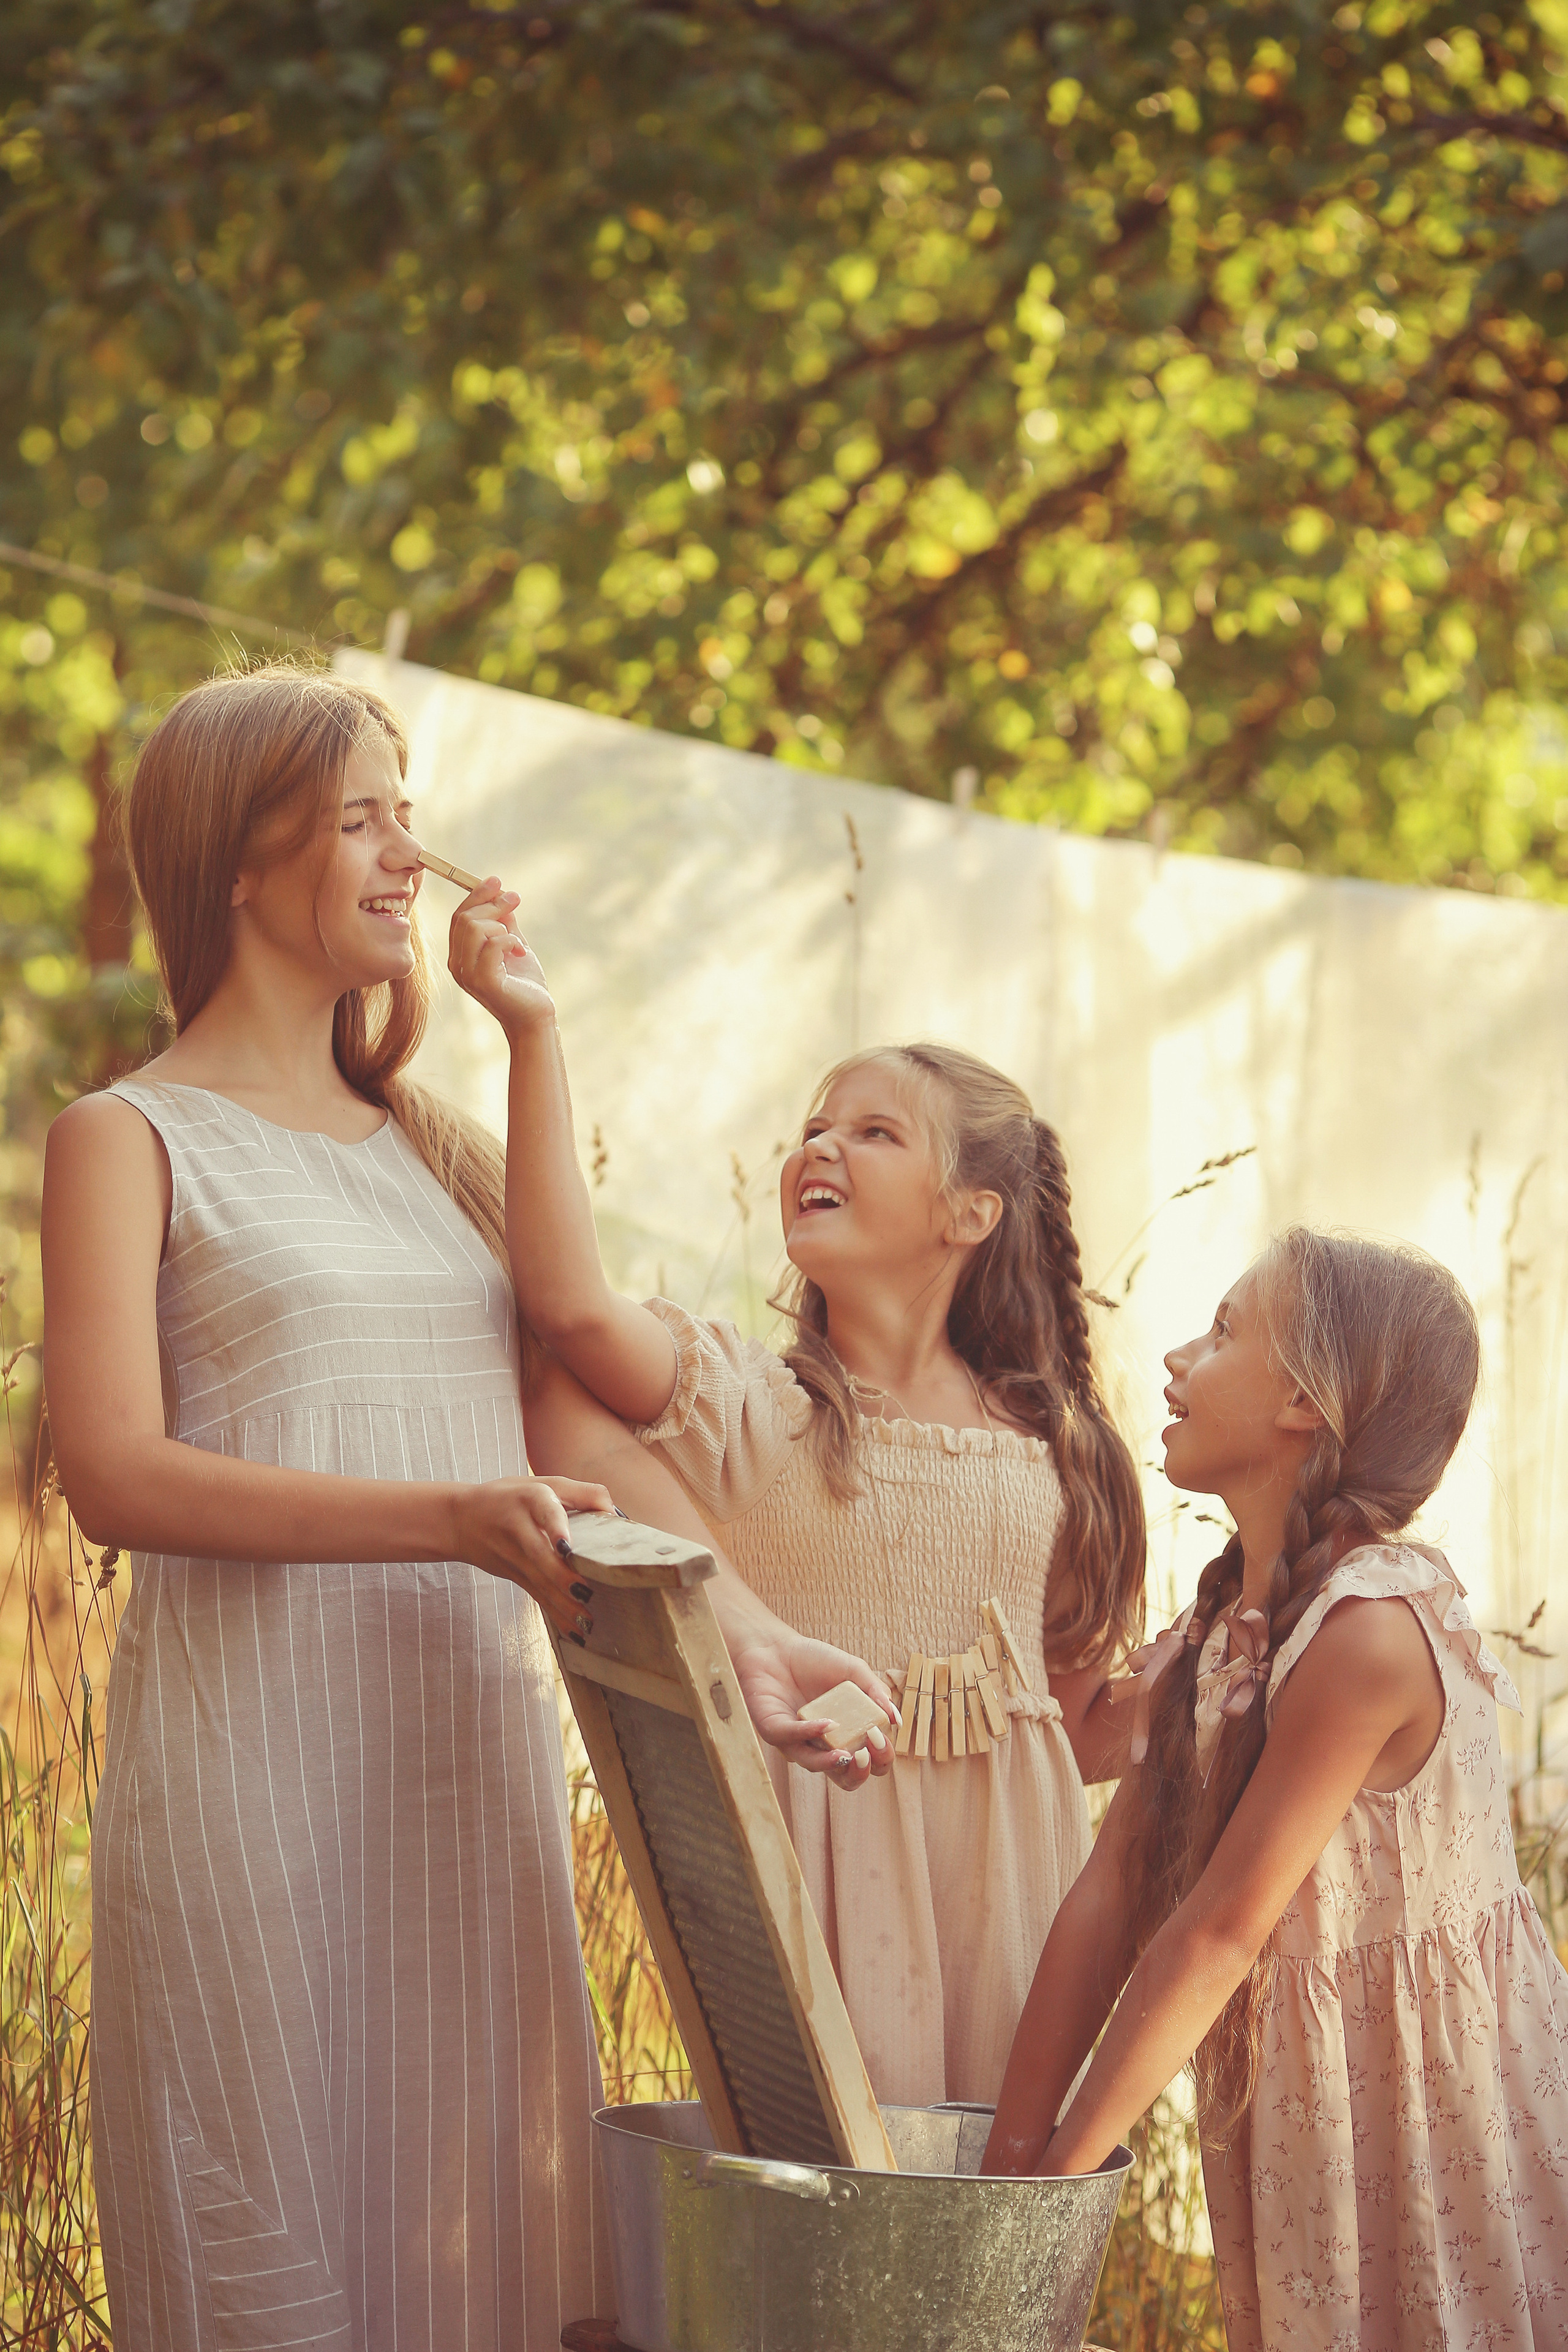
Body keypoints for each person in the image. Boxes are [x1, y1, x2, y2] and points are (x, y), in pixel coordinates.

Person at [42, 663, 894, 2352]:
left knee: (483, 2267)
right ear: (235, 857)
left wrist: (760, 1643)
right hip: (255, 1794)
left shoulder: (429, 1148)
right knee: (277, 2254)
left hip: (460, 1792)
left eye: (406, 812)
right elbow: (114, 1477)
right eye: (360, 817)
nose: (407, 856)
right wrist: (441, 1520)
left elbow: (580, 1465)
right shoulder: (126, 1138)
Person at [446, 886, 1147, 2107]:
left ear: (969, 1213)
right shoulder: (745, 1403)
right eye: (812, 1127)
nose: (818, 1146)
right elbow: (561, 1312)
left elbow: (1080, 1729)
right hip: (805, 1905)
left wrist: (1184, 1700)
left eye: (873, 1133)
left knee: (989, 2229)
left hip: (1018, 1929)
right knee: (823, 2217)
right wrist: (530, 1034)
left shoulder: (1064, 1455)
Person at [985, 1228, 1568, 2351]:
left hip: (1443, 2113)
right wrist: (1006, 2173)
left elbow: (1215, 1936)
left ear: (1307, 1402)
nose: (1175, 1361)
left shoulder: (1370, 1631)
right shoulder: (1220, 1637)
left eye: (1223, 1332)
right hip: (1314, 2116)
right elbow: (1111, 1899)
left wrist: (1059, 2190)